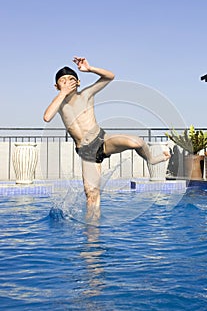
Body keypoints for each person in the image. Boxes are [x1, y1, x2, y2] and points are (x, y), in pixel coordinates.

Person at [43, 56, 170, 220]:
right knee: (92, 195)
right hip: (86, 151)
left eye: (71, 79)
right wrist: (62, 93)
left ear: (78, 82)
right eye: (63, 81)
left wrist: (90, 69)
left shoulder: (86, 94)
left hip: (102, 140)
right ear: (56, 86)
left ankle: (151, 159)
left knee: (136, 142)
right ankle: (92, 235)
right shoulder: (59, 103)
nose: (68, 82)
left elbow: (110, 76)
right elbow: (47, 117)